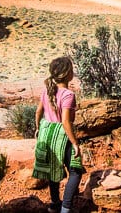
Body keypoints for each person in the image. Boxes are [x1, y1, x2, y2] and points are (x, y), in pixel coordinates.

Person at [33, 57, 84, 213]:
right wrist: (75, 143)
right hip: (62, 136)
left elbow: (38, 112)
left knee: (52, 169)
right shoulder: (68, 95)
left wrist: (38, 128)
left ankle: (54, 204)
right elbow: (65, 121)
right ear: (68, 73)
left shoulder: (47, 91)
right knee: (75, 171)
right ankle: (65, 208)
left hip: (46, 133)